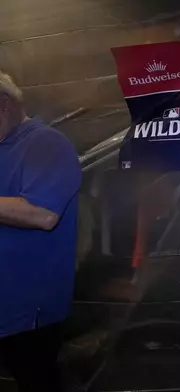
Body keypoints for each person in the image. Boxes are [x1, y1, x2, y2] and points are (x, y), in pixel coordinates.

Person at [0, 71, 82, 392]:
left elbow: (43, 213)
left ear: (4, 104)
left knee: (36, 382)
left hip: (28, 309)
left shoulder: (46, 143)